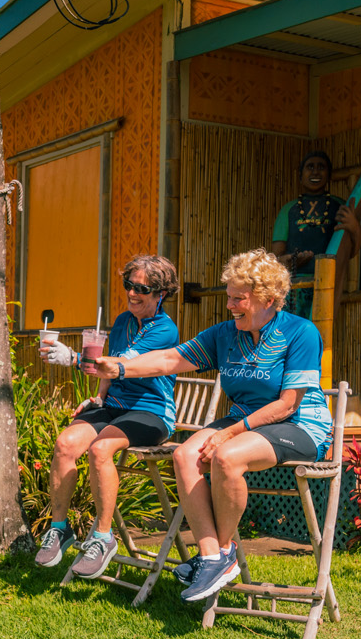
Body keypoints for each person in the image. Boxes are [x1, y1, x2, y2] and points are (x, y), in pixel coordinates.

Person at [93, 248, 331, 602]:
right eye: (229, 297)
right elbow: (171, 359)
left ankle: (221, 553)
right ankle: (211, 555)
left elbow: (287, 404)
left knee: (227, 457)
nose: (231, 305)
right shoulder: (225, 334)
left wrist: (229, 433)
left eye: (240, 299)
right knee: (185, 456)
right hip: (244, 421)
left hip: (300, 424)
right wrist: (120, 367)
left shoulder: (300, 332)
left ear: (269, 299)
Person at [34, 255, 180, 580]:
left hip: (151, 412)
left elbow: (118, 363)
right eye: (129, 285)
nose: (132, 293)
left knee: (100, 450)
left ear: (162, 293)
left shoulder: (164, 331)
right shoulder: (124, 321)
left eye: (142, 288)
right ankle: (60, 529)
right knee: (65, 444)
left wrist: (71, 357)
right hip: (115, 406)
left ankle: (103, 537)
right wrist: (99, 396)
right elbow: (108, 367)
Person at [269, 150, 361, 319]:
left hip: (328, 285)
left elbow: (351, 251)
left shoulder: (340, 207)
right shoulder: (288, 210)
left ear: (329, 174)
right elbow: (275, 258)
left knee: (320, 334)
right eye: (310, 167)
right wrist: (291, 259)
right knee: (293, 335)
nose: (315, 171)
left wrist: (354, 227)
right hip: (293, 288)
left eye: (321, 167)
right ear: (300, 175)